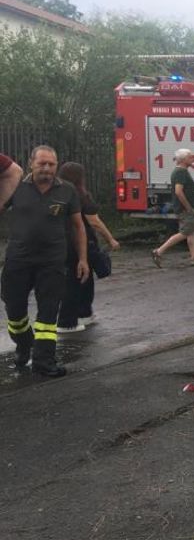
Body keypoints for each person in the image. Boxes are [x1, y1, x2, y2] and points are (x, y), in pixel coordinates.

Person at [1, 145, 87, 377]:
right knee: (14, 309)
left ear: (56, 166)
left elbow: (79, 226)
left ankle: (44, 360)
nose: (47, 168)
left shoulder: (67, 190)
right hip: (18, 259)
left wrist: (83, 259)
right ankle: (24, 343)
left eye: (51, 164)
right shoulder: (16, 186)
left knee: (48, 314)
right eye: (42, 164)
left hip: (52, 261)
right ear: (31, 163)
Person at [57, 162, 120, 334]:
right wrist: (111, 239)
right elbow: (94, 221)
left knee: (83, 278)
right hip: (80, 243)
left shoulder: (57, 193)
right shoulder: (81, 196)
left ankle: (84, 312)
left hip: (62, 242)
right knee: (75, 280)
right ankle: (67, 321)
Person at [152, 148, 194, 267]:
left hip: (188, 208)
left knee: (192, 232)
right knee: (185, 232)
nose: (193, 159)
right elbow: (179, 192)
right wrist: (188, 207)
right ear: (183, 159)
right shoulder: (180, 173)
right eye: (190, 157)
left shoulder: (183, 171)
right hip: (185, 209)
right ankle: (159, 251)